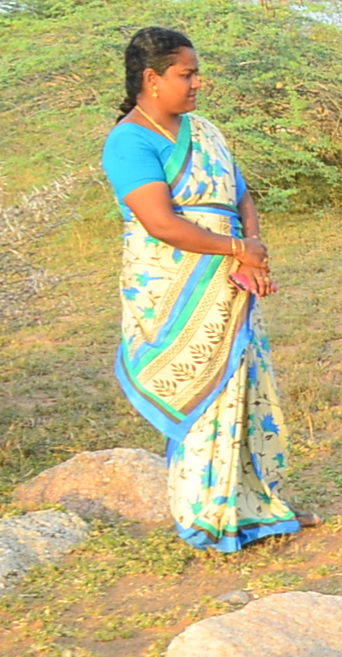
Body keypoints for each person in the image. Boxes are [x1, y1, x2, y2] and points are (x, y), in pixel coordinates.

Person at [102, 27, 311, 553]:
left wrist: (253, 245)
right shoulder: (130, 141)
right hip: (173, 288)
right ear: (151, 80)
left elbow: (241, 196)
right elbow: (161, 223)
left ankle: (259, 508)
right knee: (201, 393)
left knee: (243, 386)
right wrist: (238, 251)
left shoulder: (206, 131)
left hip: (230, 278)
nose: (198, 83)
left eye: (196, 73)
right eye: (186, 74)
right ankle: (206, 519)